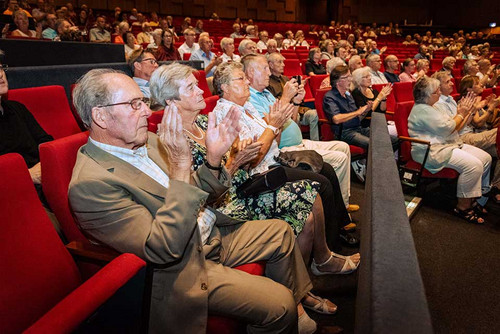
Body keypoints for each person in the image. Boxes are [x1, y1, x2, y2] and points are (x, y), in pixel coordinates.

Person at [69, 67, 316, 334]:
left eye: (143, 101)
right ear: (100, 116)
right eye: (134, 104)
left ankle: (299, 313)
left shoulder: (148, 141)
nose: (147, 111)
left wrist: (212, 160)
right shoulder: (91, 184)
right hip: (183, 266)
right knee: (280, 305)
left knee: (280, 232)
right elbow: (161, 249)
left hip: (208, 234)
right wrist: (179, 167)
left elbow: (193, 191)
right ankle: (289, 315)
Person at [150, 63, 357, 313]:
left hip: (239, 188)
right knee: (310, 196)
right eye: (191, 87)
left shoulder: (206, 121)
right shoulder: (171, 140)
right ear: (172, 101)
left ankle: (303, 288)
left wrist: (240, 154)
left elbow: (241, 157)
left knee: (311, 193)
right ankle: (300, 295)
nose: (201, 90)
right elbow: (196, 193)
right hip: (224, 204)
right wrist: (237, 159)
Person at [239, 55, 359, 246]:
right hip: (284, 150)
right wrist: (286, 98)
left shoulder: (267, 94)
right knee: (332, 162)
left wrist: (295, 103)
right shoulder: (249, 99)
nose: (269, 72)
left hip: (296, 142)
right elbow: (269, 133)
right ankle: (337, 220)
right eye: (264, 68)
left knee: (341, 149)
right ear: (250, 72)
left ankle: (340, 210)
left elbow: (291, 121)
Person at [408, 76, 491, 223]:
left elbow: (454, 126)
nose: (439, 93)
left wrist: (465, 112)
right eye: (436, 91)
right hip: (431, 150)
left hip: (447, 144)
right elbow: (448, 128)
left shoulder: (434, 106)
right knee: (473, 165)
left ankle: (477, 200)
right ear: (427, 95)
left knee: (486, 158)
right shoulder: (422, 110)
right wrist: (461, 113)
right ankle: (463, 207)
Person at [433, 71, 500, 203]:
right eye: (447, 82)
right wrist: (471, 111)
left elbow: (469, 122)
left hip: (463, 135)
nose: (452, 83)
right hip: (458, 138)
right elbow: (452, 128)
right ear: (438, 87)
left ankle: (495, 189)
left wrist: (470, 112)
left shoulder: (451, 100)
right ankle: (467, 204)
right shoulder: (438, 104)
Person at [0, 51, 53, 201]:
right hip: (14, 193)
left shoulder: (17, 108)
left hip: (45, 178)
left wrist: (48, 163)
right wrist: (28, 175)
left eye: (0, 68)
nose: (0, 75)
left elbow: (45, 140)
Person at [267, 53, 320, 141]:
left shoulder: (286, 79)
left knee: (314, 114)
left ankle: (315, 141)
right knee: (296, 116)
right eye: (279, 62)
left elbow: (298, 99)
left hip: (298, 108)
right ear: (271, 65)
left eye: (283, 62)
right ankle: (298, 142)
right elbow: (274, 103)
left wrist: (299, 91)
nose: (283, 65)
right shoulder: (267, 82)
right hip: (285, 112)